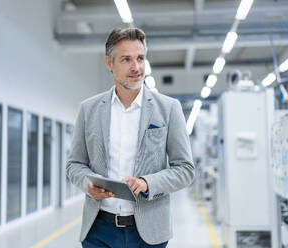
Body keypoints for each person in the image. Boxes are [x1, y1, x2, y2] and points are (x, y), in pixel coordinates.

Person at [66, 27, 195, 248]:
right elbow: (74, 165)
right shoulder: (89, 109)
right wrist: (88, 183)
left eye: (140, 58)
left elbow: (185, 169)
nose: (136, 67)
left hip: (149, 233)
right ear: (109, 63)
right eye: (126, 59)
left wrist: (147, 182)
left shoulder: (168, 109)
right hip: (99, 230)